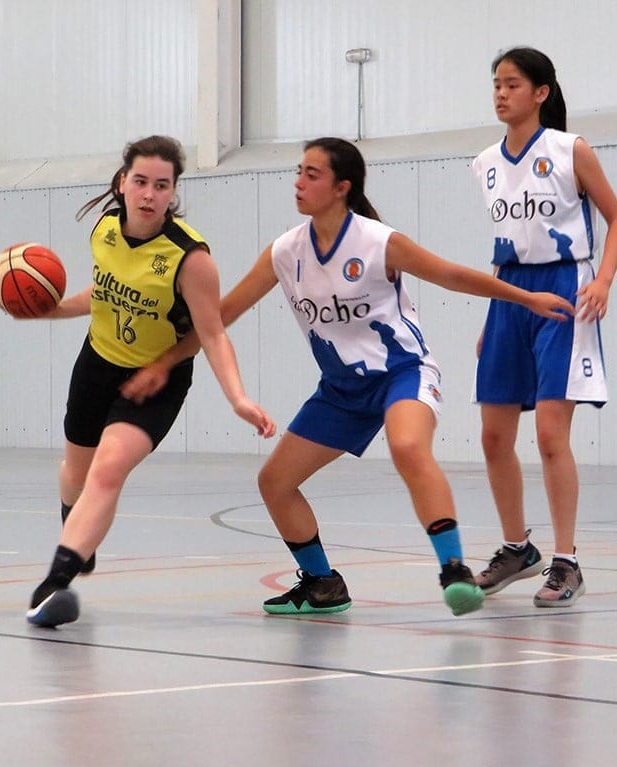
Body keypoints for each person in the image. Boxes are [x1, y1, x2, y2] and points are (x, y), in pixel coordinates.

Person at [122, 137, 576, 617]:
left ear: (342, 187)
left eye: (311, 174)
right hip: (341, 389)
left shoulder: (378, 241)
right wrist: (162, 363)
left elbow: (451, 275)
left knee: (407, 448)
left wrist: (526, 298)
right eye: (298, 171)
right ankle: (322, 585)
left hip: (402, 372)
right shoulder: (285, 252)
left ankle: (454, 571)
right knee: (275, 481)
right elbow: (222, 314)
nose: (298, 182)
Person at [26, 135, 276, 628]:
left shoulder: (190, 258)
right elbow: (101, 295)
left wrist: (238, 397)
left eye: (161, 185)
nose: (148, 194)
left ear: (173, 192)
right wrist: (48, 310)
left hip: (155, 382)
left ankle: (53, 583)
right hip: (96, 365)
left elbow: (213, 333)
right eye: (140, 181)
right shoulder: (105, 230)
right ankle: (80, 537)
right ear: (123, 183)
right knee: (74, 474)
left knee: (108, 471)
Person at [471, 47, 617, 607]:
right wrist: (493, 313)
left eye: (512, 84)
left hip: (564, 293)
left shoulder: (570, 150)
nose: (500, 93)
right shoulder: (484, 163)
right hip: (511, 295)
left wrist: (604, 280)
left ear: (540, 92)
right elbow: (503, 246)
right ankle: (517, 549)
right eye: (496, 84)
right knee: (493, 438)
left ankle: (567, 561)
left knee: (549, 437)